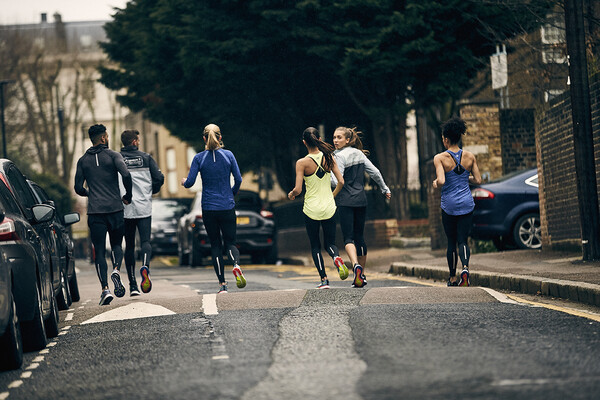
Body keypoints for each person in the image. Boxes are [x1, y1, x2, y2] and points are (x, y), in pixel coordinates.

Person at [180, 124, 246, 294]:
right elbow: (238, 179)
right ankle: (236, 265)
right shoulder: (229, 155)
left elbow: (190, 183)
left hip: (209, 208)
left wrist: (183, 181)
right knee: (230, 242)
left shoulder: (199, 158)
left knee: (215, 245)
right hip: (227, 206)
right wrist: (231, 194)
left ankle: (222, 285)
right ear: (220, 137)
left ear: (204, 138)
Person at [74, 124, 133, 305]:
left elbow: (77, 188)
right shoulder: (114, 155)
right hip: (115, 209)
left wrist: (89, 193)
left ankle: (105, 289)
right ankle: (116, 269)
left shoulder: (83, 161)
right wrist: (127, 196)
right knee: (116, 245)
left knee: (99, 251)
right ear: (103, 138)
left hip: (95, 213)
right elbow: (126, 175)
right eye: (106, 136)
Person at [288, 127, 348, 289]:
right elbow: (341, 181)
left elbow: (298, 190)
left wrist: (292, 194)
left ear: (304, 142)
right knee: (330, 243)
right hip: (329, 207)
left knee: (315, 245)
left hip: (311, 209)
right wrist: (332, 195)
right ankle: (336, 258)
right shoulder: (329, 157)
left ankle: (324, 280)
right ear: (319, 139)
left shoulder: (302, 163)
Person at [331, 126, 391, 288]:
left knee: (348, 238)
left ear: (348, 140)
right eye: (334, 137)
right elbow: (375, 172)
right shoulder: (359, 154)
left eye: (339, 137)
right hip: (361, 200)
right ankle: (361, 275)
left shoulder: (337, 157)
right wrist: (384, 188)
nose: (335, 140)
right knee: (360, 237)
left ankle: (355, 265)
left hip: (345, 201)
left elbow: (337, 181)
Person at [433, 117, 482, 287]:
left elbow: (442, 181)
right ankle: (466, 269)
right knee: (463, 240)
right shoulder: (469, 157)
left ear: (446, 139)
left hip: (449, 205)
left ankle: (453, 278)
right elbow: (478, 179)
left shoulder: (440, 158)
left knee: (451, 241)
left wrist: (435, 183)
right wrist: (463, 177)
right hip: (467, 203)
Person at [119, 130, 164, 296]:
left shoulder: (117, 158)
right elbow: (159, 178)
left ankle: (132, 285)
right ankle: (145, 266)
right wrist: (151, 191)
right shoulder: (146, 157)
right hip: (144, 206)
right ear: (135, 142)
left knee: (129, 245)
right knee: (145, 241)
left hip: (125, 207)